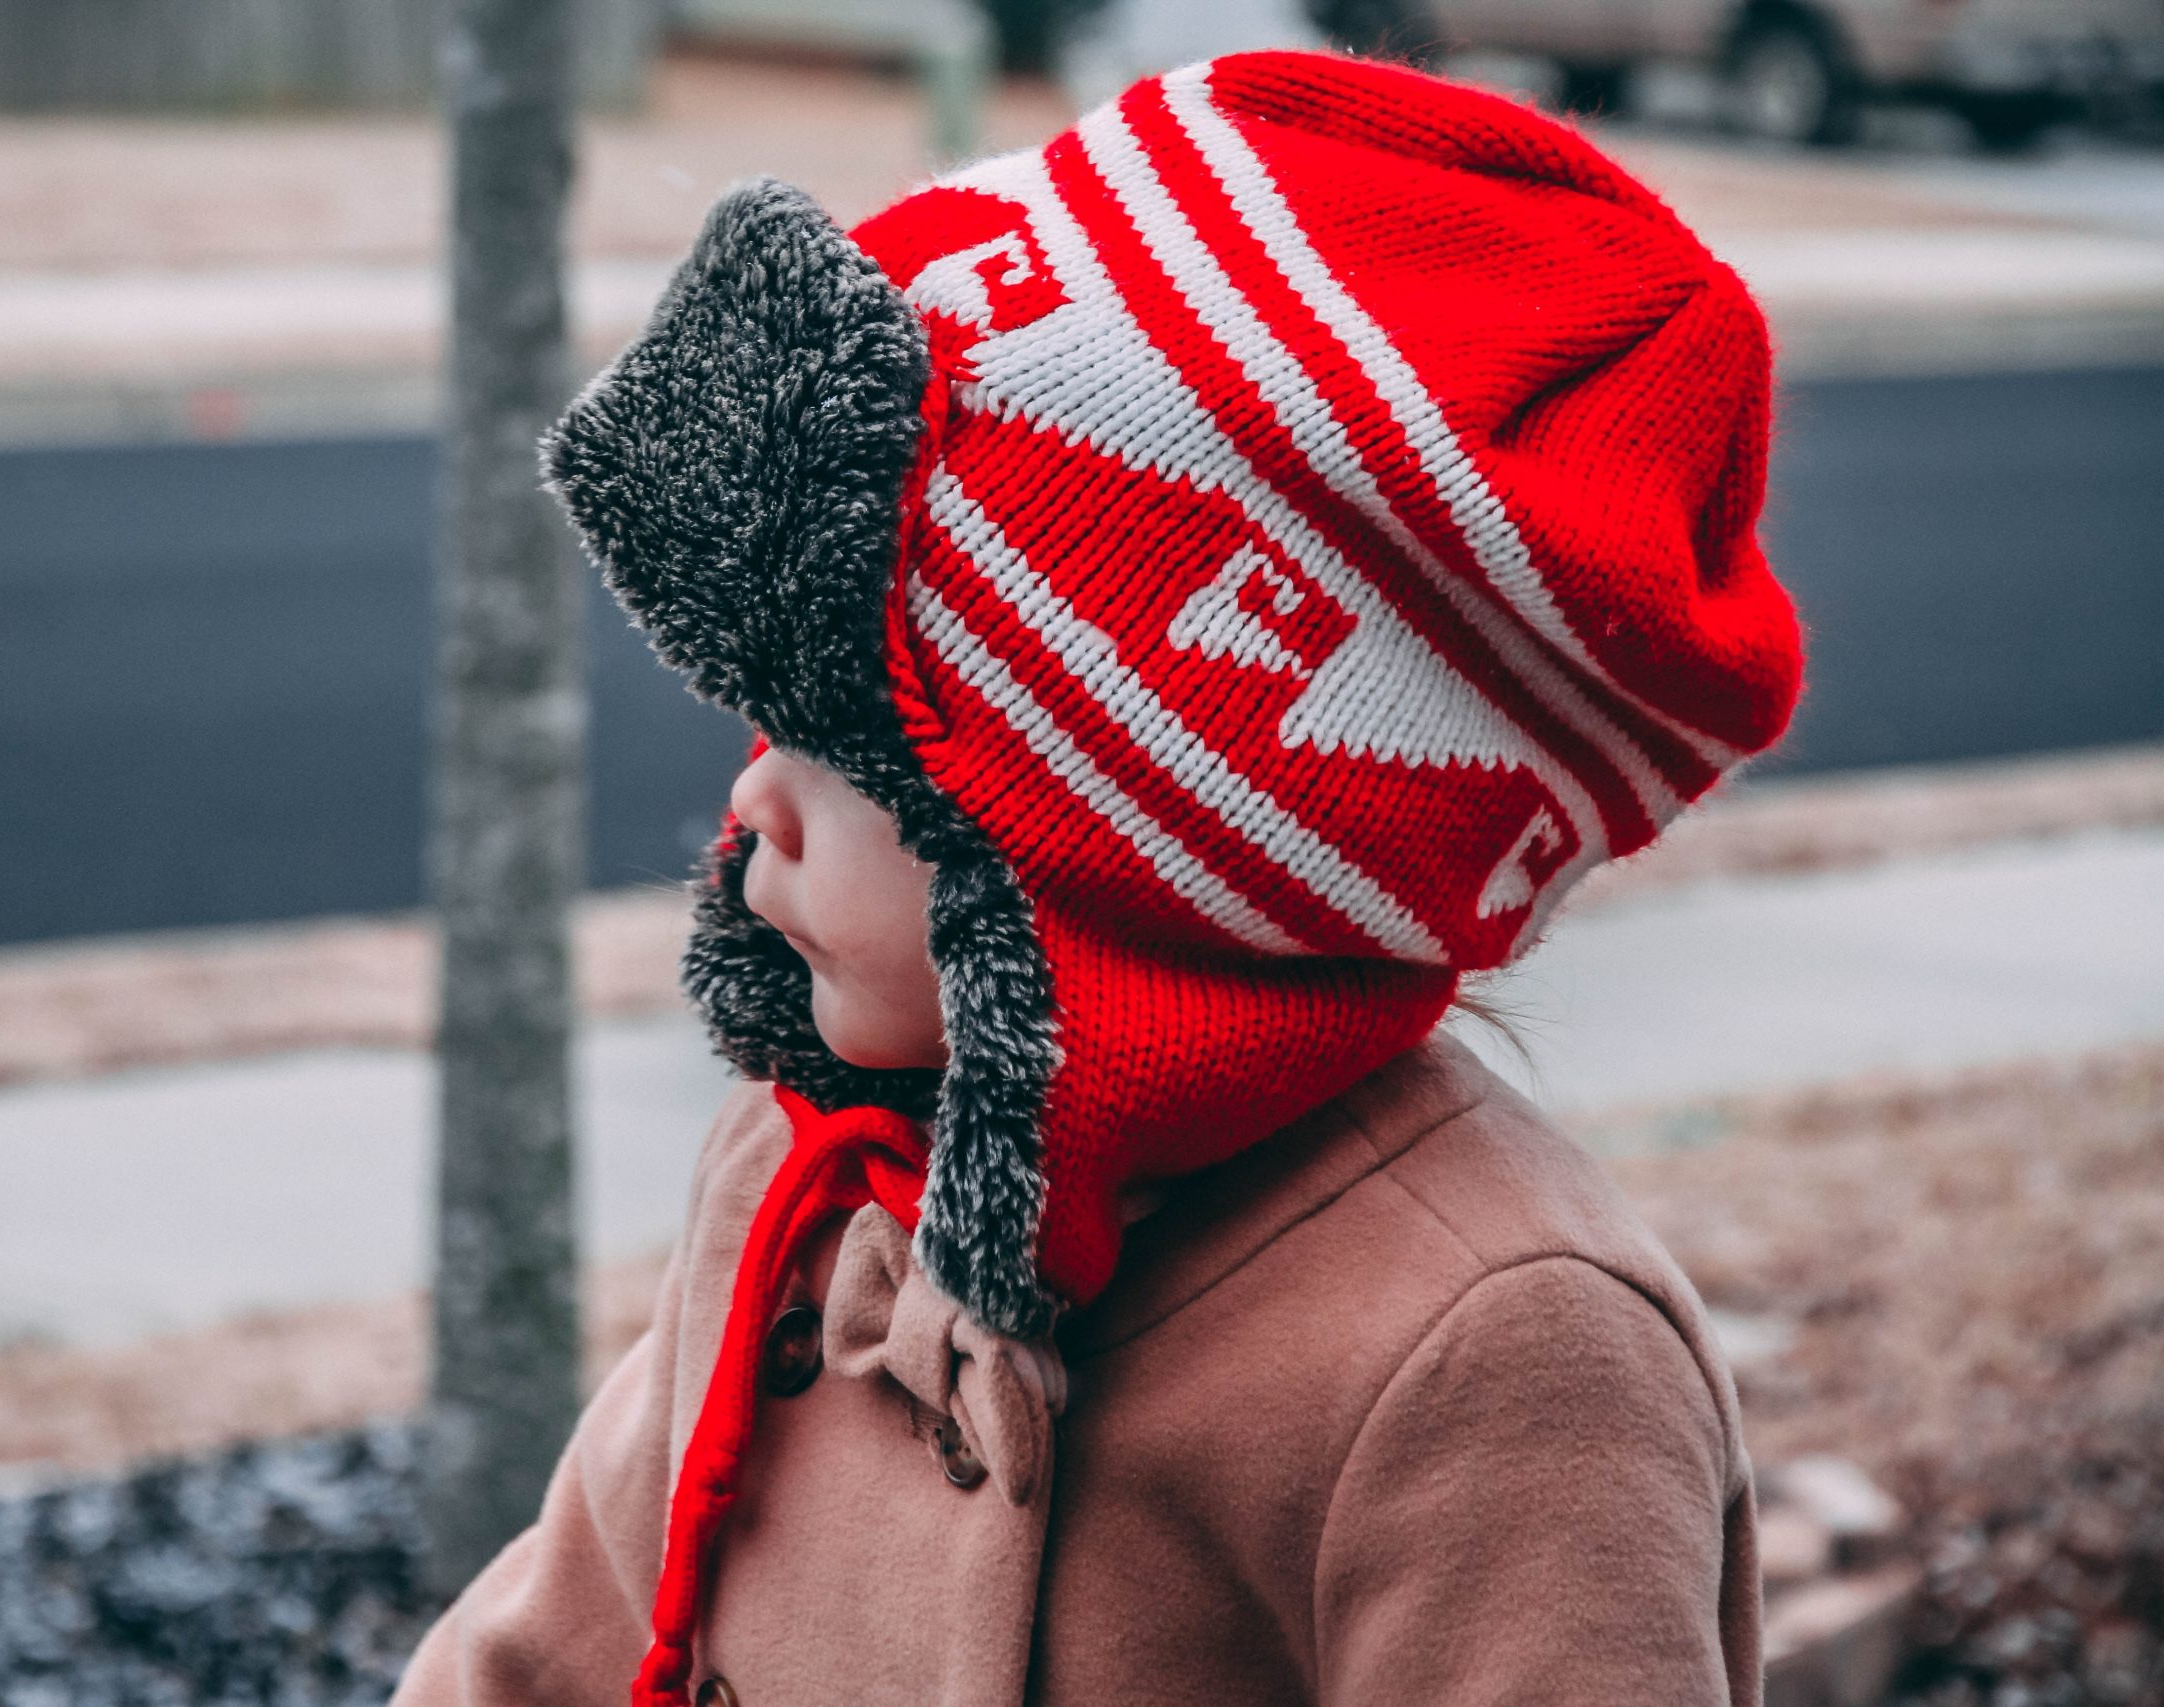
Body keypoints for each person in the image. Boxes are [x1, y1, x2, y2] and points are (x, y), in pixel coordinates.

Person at [395, 46, 1802, 1707]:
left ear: (1153, 868)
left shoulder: (1494, 1354)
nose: (754, 797)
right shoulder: (811, 1162)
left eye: (855, 741)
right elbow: (549, 1646)